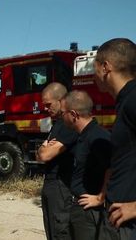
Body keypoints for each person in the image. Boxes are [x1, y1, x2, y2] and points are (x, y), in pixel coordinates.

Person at [93, 38, 136, 240]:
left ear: (105, 67)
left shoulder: (133, 99)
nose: (93, 76)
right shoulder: (125, 101)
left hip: (129, 224)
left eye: (94, 68)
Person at [60, 90, 112, 239]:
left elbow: (113, 167)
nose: (61, 117)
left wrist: (100, 197)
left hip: (89, 212)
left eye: (63, 113)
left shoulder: (97, 136)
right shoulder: (84, 135)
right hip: (80, 207)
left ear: (74, 114)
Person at [36, 82, 78, 240]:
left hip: (62, 185)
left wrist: (44, 149)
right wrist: (43, 148)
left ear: (62, 100)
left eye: (48, 104)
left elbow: (45, 156)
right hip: (50, 183)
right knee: (51, 230)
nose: (45, 109)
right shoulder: (57, 125)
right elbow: (40, 155)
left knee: (61, 230)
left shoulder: (69, 124)